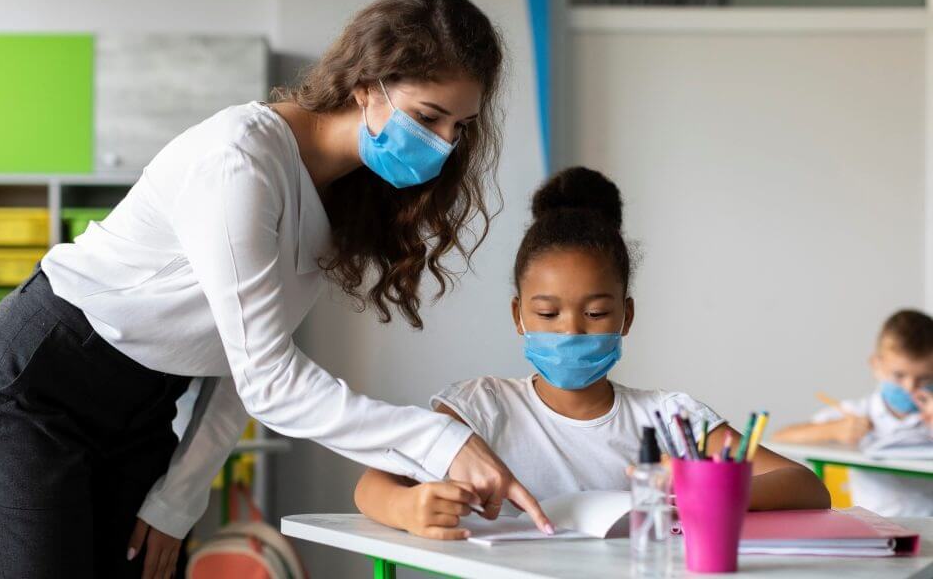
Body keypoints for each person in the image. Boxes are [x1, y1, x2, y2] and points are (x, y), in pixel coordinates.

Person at [0, 0, 551, 578]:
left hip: (144, 403)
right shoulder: (241, 159)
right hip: (40, 382)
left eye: (460, 126)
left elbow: (244, 366)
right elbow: (271, 382)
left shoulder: (340, 197)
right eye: (429, 117)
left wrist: (175, 503)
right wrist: (441, 441)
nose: (445, 144)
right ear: (367, 86)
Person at [354, 167, 831, 539]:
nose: (572, 331)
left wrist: (705, 491)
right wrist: (407, 508)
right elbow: (372, 487)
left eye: (597, 314)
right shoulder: (483, 407)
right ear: (519, 315)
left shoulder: (670, 420)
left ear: (627, 316)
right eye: (548, 313)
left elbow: (807, 486)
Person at [774, 310, 933, 516]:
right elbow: (782, 437)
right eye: (899, 375)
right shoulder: (860, 411)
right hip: (875, 525)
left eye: (924, 378)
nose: (910, 387)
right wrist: (834, 430)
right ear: (876, 365)